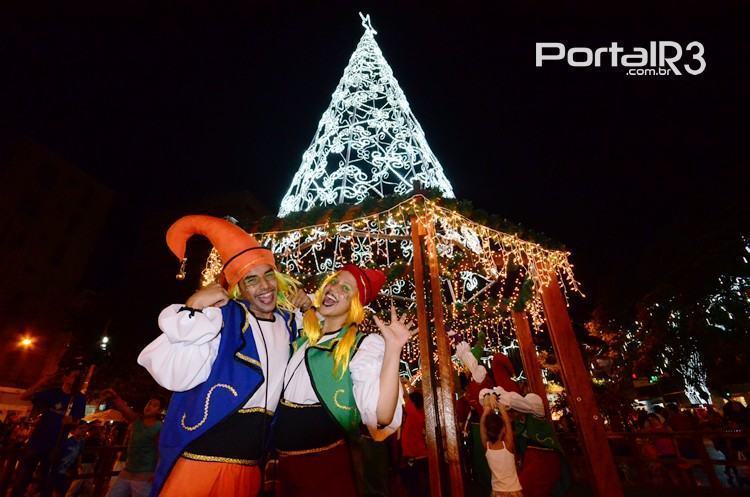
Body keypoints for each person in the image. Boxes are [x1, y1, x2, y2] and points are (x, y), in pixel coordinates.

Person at [138, 215, 311, 497]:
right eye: (251, 280)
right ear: (238, 288)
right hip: (203, 460)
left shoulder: (291, 322)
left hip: (251, 464)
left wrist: (309, 304)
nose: (265, 286)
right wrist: (193, 306)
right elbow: (177, 375)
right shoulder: (222, 318)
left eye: (269, 274)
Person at [273, 264, 411, 497]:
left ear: (354, 304)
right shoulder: (305, 337)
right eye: (334, 282)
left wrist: (393, 350)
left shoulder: (362, 346)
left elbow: (382, 415)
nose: (333, 288)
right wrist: (307, 306)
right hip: (284, 470)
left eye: (345, 288)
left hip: (324, 470)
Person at [10, 367, 86, 497]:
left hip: (56, 445)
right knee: (22, 478)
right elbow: (24, 396)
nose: (75, 380)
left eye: (78, 378)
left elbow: (77, 420)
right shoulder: (53, 393)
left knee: (47, 481)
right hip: (37, 440)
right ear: (65, 377)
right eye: (73, 376)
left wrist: (71, 422)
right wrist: (43, 381)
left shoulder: (79, 398)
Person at [102, 389, 163, 497]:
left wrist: (157, 472)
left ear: (159, 411)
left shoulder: (159, 427)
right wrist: (115, 397)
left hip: (144, 475)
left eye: (154, 405)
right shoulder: (137, 420)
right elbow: (124, 409)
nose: (149, 407)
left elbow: (160, 451)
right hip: (127, 471)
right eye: (149, 403)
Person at [480, 394, 522, 497]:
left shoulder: (488, 447)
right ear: (503, 429)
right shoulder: (507, 445)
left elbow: (482, 425)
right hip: (513, 493)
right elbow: (507, 423)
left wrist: (486, 410)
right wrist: (502, 409)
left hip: (496, 493)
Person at [399, 389, 429, 497]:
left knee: (415, 487)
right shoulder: (418, 414)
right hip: (418, 454)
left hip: (415, 455)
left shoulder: (413, 414)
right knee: (419, 485)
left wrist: (403, 385)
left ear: (412, 403)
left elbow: (406, 399)